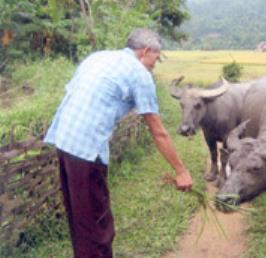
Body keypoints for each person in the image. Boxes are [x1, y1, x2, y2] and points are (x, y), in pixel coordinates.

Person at [44, 28, 193, 257]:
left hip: (64, 140)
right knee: (98, 226)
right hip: (86, 149)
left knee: (80, 220)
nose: (156, 64)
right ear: (145, 52)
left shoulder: (98, 57)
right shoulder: (140, 74)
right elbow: (158, 131)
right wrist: (181, 171)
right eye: (156, 58)